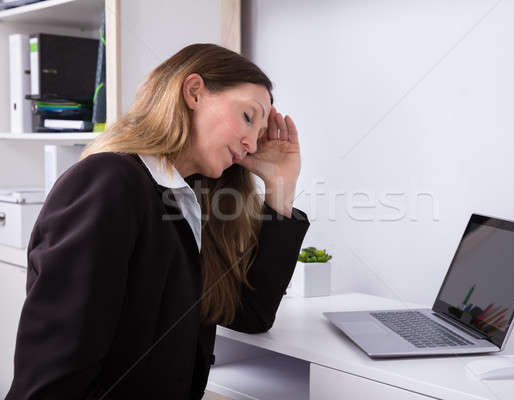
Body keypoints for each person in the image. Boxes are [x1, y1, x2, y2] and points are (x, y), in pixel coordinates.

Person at [6, 43, 310, 400]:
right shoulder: (108, 182)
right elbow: (53, 378)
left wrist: (279, 184)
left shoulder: (189, 200)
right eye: (247, 117)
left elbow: (249, 315)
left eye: (259, 135)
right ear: (194, 91)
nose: (250, 143)